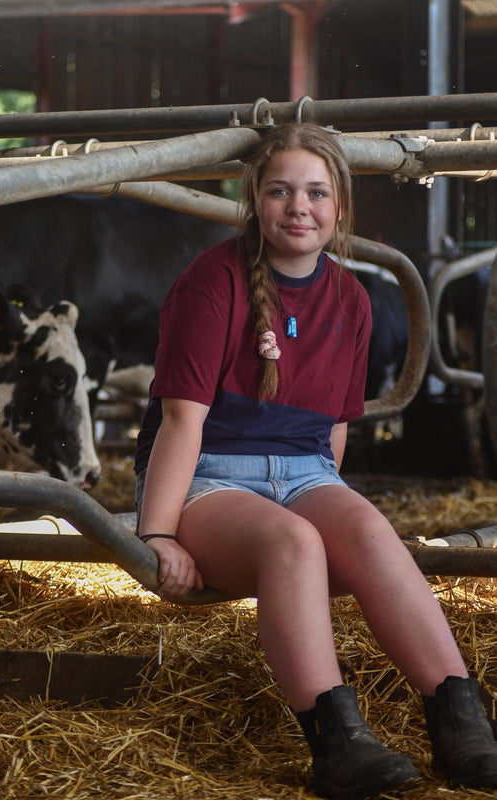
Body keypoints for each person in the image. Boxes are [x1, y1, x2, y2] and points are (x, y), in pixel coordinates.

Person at [134, 122, 497, 799]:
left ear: (338, 208)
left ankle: (460, 721)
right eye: (279, 191)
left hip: (304, 474)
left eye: (314, 192)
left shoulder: (350, 299)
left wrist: (336, 507)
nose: (297, 207)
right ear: (254, 199)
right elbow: (183, 421)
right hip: (207, 479)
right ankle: (336, 741)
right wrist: (157, 531)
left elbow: (329, 433)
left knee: (367, 532)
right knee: (294, 543)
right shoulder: (211, 283)